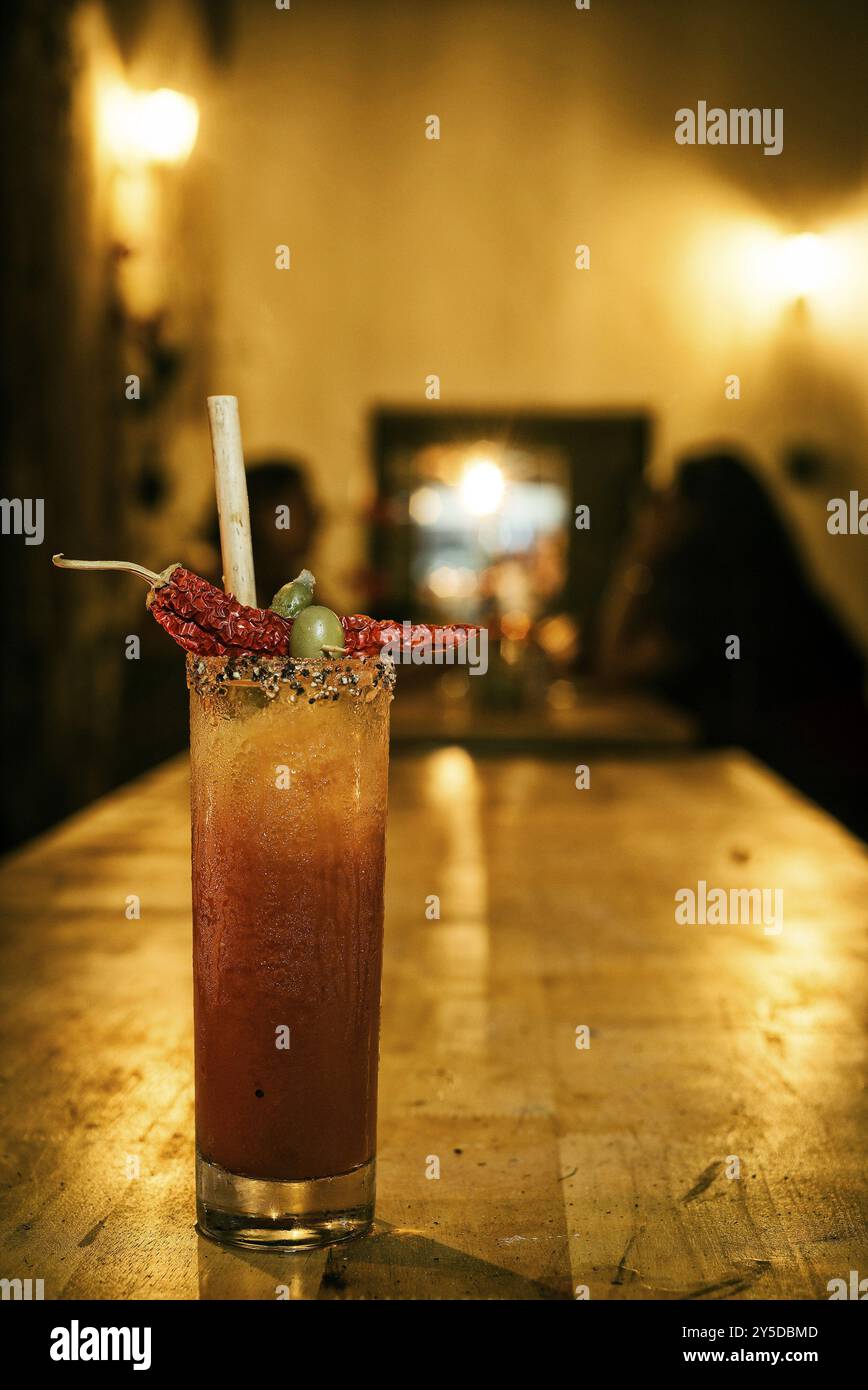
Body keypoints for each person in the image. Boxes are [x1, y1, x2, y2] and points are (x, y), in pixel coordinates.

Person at [595, 448, 868, 839]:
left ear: (696, 514)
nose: (656, 514)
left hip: (784, 811)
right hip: (821, 803)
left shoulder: (711, 597)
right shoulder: (784, 589)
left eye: (671, 501)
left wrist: (639, 556)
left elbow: (615, 667)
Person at [205, 457, 323, 608]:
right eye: (303, 507)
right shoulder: (217, 594)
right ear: (268, 516)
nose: (315, 519)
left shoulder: (290, 585)